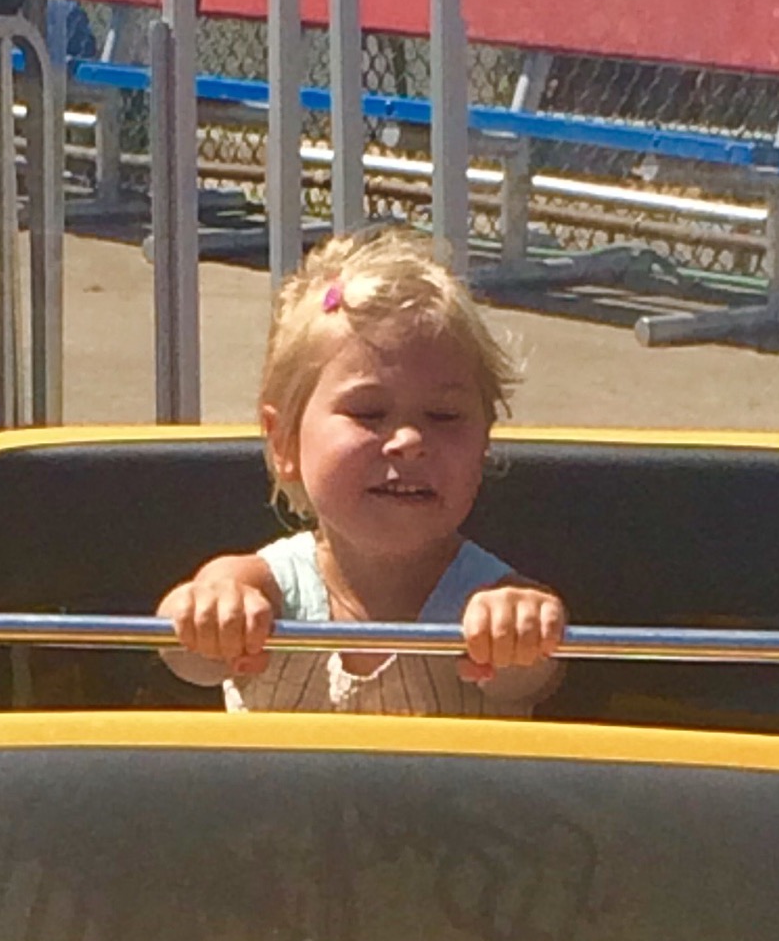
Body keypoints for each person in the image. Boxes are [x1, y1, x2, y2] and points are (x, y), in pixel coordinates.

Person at [161, 230, 565, 717]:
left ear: (484, 443)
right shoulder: (265, 583)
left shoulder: (492, 594)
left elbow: (528, 681)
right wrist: (211, 615)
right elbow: (185, 653)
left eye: (444, 416)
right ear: (284, 440)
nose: (410, 441)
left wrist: (518, 635)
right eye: (369, 413)